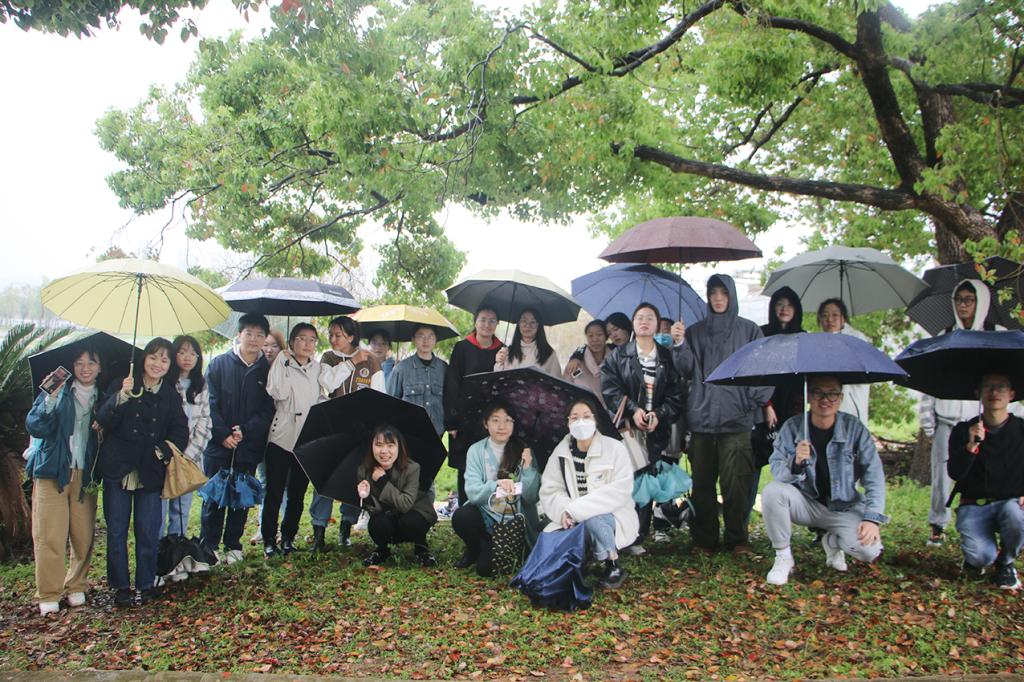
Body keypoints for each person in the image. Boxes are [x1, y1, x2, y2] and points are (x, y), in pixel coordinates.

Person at [671, 274, 774, 553]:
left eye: (723, 293)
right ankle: (704, 539)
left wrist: (750, 401)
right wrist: (679, 344)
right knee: (702, 483)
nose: (718, 298)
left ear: (731, 296)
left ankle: (737, 539)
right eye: (713, 293)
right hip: (702, 420)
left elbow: (764, 370)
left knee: (736, 483)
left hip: (736, 422)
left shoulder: (749, 331)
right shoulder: (694, 332)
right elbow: (685, 369)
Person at [762, 375, 886, 586]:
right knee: (772, 492)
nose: (825, 399)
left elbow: (874, 476)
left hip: (844, 507)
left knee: (869, 551)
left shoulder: (854, 428)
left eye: (832, 393)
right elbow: (777, 470)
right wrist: (796, 463)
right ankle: (783, 557)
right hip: (805, 502)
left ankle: (832, 540)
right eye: (818, 392)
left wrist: (872, 518)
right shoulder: (793, 427)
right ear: (808, 396)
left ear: (841, 398)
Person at [96, 338, 189, 607]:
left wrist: (163, 450)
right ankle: (121, 587)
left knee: (148, 531)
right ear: (143, 359)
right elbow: (102, 420)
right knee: (116, 531)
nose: (158, 364)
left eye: (164, 359)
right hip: (119, 469)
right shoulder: (123, 384)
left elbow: (180, 430)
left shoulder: (170, 395)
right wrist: (121, 396)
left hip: (150, 471)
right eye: (153, 357)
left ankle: (146, 584)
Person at [919, 279, 1007, 546]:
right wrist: (927, 418)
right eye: (959, 300)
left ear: (981, 302)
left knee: (988, 472)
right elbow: (931, 379)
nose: (963, 305)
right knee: (942, 475)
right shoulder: (946, 335)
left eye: (969, 299)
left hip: (984, 419)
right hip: (947, 418)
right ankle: (938, 523)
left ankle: (990, 524)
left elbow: (1009, 376)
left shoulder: (996, 334)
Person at [24, 346, 106, 615]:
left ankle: (76, 584)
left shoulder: (103, 398)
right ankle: (49, 591)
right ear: (71, 367)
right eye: (79, 363)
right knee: (50, 533)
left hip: (85, 473)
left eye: (91, 362)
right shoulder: (58, 391)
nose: (85, 368)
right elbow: (35, 425)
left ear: (100, 368)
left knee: (83, 534)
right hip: (53, 470)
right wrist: (50, 397)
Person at [601, 302, 683, 553]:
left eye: (650, 317)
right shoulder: (619, 355)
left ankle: (639, 533)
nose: (644, 321)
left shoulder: (667, 357)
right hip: (628, 428)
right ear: (633, 323)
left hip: (655, 428)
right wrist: (633, 410)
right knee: (626, 480)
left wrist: (659, 414)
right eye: (639, 317)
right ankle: (623, 533)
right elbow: (610, 389)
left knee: (648, 478)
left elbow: (676, 395)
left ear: (657, 324)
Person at [539, 398, 638, 589]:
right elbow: (551, 489)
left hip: (610, 516)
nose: (581, 422)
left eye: (586, 416)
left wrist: (577, 509)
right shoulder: (561, 453)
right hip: (572, 517)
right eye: (574, 418)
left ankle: (612, 564)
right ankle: (585, 559)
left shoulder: (615, 448)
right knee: (552, 539)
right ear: (568, 422)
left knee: (594, 518)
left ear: (595, 420)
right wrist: (564, 511)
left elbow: (619, 491)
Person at [201, 313, 275, 565]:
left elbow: (268, 408)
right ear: (239, 335)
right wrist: (222, 434)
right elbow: (209, 403)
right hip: (218, 445)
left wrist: (245, 430)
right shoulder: (219, 365)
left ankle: (233, 544)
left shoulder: (267, 370)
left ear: (265, 338)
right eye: (249, 334)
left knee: (241, 496)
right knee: (214, 496)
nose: (254, 339)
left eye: (259, 335)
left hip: (248, 445)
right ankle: (209, 545)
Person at [947, 372, 1024, 590]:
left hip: (1010, 503)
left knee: (1016, 516)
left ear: (1011, 394)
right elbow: (955, 472)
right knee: (981, 557)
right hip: (974, 505)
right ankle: (977, 559)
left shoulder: (1021, 429)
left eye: (1001, 387)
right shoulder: (963, 430)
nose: (994, 392)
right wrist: (970, 446)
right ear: (978, 393)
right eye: (988, 386)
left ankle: (1006, 562)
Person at [312, 315, 382, 551]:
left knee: (355, 478)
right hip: (333, 428)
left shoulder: (371, 361)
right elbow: (329, 384)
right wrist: (351, 363)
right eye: (331, 334)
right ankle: (319, 530)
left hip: (361, 430)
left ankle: (346, 527)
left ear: (351, 337)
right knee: (324, 477)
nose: (333, 339)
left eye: (338, 335)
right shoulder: (328, 357)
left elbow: (379, 395)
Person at [452, 401, 540, 576]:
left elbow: (531, 497)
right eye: (495, 420)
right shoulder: (476, 450)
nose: (502, 426)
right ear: (486, 424)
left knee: (485, 569)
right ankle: (477, 547)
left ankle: (497, 549)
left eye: (508, 420)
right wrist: (496, 485)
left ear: (514, 424)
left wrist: (528, 469)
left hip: (513, 522)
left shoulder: (524, 451)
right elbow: (473, 492)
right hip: (486, 514)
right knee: (462, 517)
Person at [263, 323, 322, 558]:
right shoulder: (282, 361)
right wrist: (283, 362)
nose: (307, 344)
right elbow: (278, 392)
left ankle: (288, 536)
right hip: (282, 435)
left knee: (297, 492)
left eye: (312, 340)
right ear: (292, 341)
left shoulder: (317, 368)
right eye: (301, 339)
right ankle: (269, 538)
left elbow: (322, 396)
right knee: (274, 491)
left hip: (306, 437)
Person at [748, 287, 805, 520]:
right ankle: (744, 517)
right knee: (753, 463)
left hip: (792, 409)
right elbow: (755, 373)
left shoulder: (803, 337)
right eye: (780, 304)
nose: (784, 309)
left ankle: (789, 517)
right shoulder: (762, 334)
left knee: (791, 465)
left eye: (789, 305)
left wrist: (799, 414)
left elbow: (805, 378)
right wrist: (766, 404)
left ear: (796, 309)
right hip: (764, 408)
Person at [444, 306, 505, 505]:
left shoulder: (503, 350)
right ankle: (465, 509)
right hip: (464, 418)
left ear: (497, 324)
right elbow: (452, 384)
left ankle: (490, 508)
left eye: (492, 320)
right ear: (475, 322)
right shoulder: (462, 348)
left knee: (492, 463)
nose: (487, 325)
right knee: (466, 465)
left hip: (490, 418)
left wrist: (503, 362)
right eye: (483, 319)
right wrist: (451, 421)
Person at [356, 424, 438, 567]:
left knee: (411, 522)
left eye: (390, 445)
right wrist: (367, 496)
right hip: (387, 515)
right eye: (379, 445)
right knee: (377, 524)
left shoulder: (412, 468)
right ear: (371, 447)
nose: (384, 451)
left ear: (399, 447)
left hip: (414, 512)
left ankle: (421, 547)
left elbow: (405, 504)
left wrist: (383, 481)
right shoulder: (364, 470)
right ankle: (382, 550)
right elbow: (375, 510)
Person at [162, 335, 212, 542]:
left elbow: (205, 421)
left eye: (193, 353)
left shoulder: (200, 385)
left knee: (181, 509)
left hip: (190, 456)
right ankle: (158, 552)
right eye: (182, 352)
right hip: (165, 456)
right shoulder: (166, 383)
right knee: (160, 508)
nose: (188, 357)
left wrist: (189, 454)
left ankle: (177, 549)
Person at [387, 325, 448, 436]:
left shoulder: (444, 368)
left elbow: (450, 400)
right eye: (421, 336)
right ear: (413, 339)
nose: (426, 341)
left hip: (437, 432)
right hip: (409, 432)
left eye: (430, 336)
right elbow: (390, 402)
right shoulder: (401, 369)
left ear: (436, 340)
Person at [817, 299, 870, 425]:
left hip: (850, 399)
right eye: (825, 315)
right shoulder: (817, 341)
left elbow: (863, 368)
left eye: (835, 315)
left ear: (843, 318)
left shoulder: (856, 338)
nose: (829, 319)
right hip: (825, 402)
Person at [494, 308, 561, 376]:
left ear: (538, 325)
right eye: (524, 321)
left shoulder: (549, 353)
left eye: (533, 322)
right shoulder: (507, 351)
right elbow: (498, 377)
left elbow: (556, 380)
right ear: (519, 324)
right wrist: (499, 362)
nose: (528, 325)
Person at [562, 319, 610, 406]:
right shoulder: (576, 362)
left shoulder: (614, 359)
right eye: (590, 335)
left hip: (610, 412)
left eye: (599, 335)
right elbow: (565, 387)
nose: (595, 339)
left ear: (606, 336)